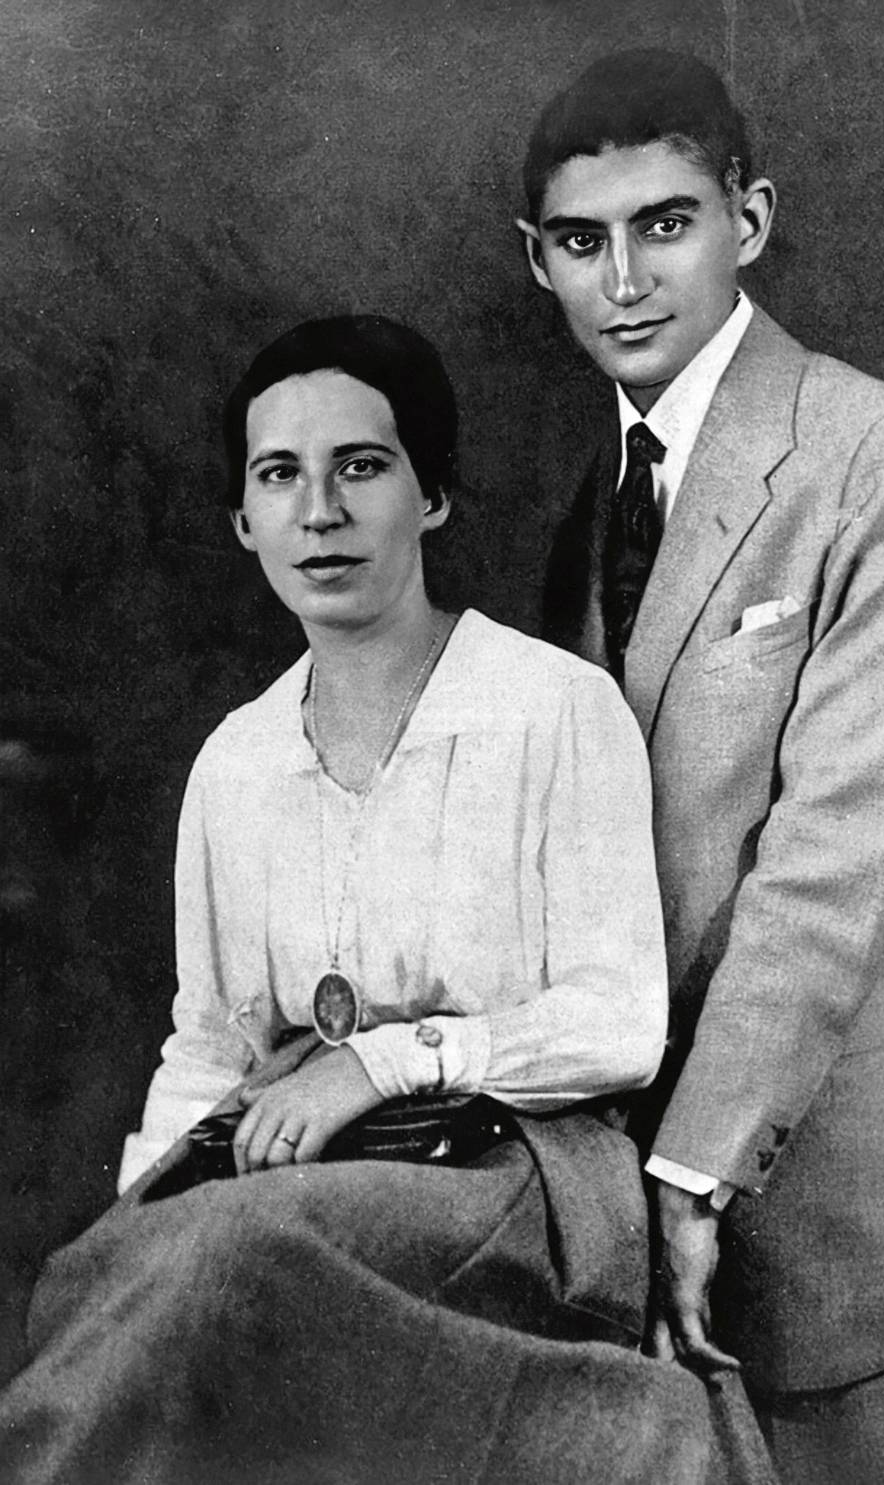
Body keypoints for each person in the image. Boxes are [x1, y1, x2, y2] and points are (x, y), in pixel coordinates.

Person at [0, 314, 673, 1484]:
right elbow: (211, 1044)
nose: (319, 511)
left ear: (431, 498)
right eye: (279, 476)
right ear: (243, 520)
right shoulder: (237, 760)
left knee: (232, 1258)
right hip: (296, 1171)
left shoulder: (553, 709)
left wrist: (381, 1062)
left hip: (518, 1172)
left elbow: (621, 1022)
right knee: (98, 1276)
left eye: (361, 466)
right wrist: (141, 1212)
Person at [518, 49, 884, 1485]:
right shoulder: (592, 500)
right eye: (580, 241)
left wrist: (694, 1169)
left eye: (664, 225)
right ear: (537, 262)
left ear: (746, 221)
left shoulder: (879, 452)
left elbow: (841, 846)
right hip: (620, 1189)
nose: (624, 279)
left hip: (825, 1193)